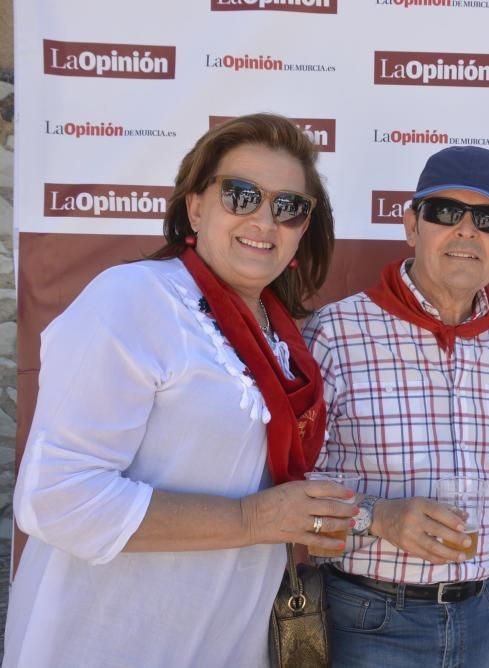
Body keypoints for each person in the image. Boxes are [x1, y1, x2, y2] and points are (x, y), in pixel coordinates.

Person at [3, 113, 352, 667]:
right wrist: (251, 520)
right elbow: (56, 499)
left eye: (289, 207)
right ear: (195, 205)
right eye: (241, 195)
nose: (265, 219)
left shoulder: (283, 339)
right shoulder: (136, 299)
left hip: (224, 644)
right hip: (106, 641)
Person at [303, 146, 489, 668]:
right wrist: (377, 518)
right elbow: (289, 485)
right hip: (368, 616)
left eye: (488, 220)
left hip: (488, 614)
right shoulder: (335, 333)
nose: (466, 231)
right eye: (446, 211)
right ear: (410, 224)